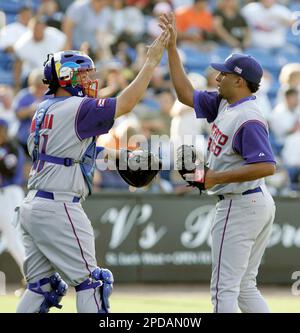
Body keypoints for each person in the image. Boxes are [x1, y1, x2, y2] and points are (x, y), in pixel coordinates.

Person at [16, 30, 170, 313]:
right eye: (83, 74)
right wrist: (150, 63)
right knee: (92, 283)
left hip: (33, 204)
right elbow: (125, 104)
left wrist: (118, 156)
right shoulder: (77, 107)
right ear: (66, 78)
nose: (89, 80)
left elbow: (71, 153)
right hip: (60, 205)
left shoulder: (44, 108)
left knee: (42, 287)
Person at [160, 13, 276, 313]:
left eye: (224, 74)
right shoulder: (226, 103)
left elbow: (267, 166)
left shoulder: (249, 117)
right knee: (245, 289)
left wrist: (214, 178)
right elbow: (185, 94)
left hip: (240, 205)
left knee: (224, 292)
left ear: (240, 81)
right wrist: (173, 48)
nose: (218, 77)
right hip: (250, 201)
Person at [0, 119, 25, 278]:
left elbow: (10, 170)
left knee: (14, 239)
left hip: (10, 193)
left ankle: (35, 280)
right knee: (11, 239)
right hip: (4, 194)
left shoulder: (12, 148)